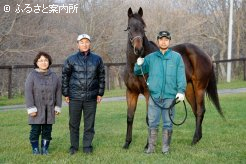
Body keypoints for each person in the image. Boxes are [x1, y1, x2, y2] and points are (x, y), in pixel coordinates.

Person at [134, 31, 186, 154]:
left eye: (166, 39)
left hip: (170, 97)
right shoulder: (151, 58)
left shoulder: (176, 57)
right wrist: (138, 63)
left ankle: (165, 149)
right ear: (157, 41)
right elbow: (137, 71)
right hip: (154, 97)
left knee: (168, 124)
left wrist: (181, 91)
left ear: (169, 41)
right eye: (161, 39)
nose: (163, 41)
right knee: (153, 123)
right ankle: (151, 148)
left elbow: (181, 75)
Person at [62, 34, 105, 155]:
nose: (84, 44)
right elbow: (65, 76)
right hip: (74, 97)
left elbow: (101, 76)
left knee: (89, 124)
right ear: (78, 44)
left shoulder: (97, 59)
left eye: (86, 42)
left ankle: (87, 146)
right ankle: (74, 147)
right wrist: (66, 93)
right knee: (73, 124)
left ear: (89, 43)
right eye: (82, 42)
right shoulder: (71, 59)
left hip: (91, 97)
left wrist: (100, 93)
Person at [25, 52, 62, 155]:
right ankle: (35, 149)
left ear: (49, 62)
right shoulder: (32, 75)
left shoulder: (54, 76)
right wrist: (31, 108)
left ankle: (45, 149)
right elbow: (28, 92)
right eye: (41, 60)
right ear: (36, 62)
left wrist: (57, 106)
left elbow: (58, 92)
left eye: (45, 60)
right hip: (36, 109)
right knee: (35, 130)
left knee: (47, 130)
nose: (43, 62)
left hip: (49, 109)